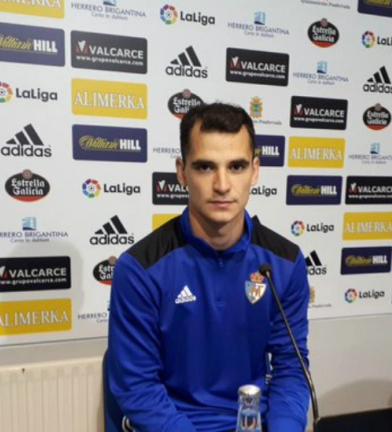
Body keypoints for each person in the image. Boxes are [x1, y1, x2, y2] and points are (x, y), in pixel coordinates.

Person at [107, 102, 311, 432]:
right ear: (181, 172)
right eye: (205, 167)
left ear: (255, 171)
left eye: (236, 166)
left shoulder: (285, 263)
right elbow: (138, 388)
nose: (222, 185)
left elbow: (291, 369)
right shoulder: (140, 269)